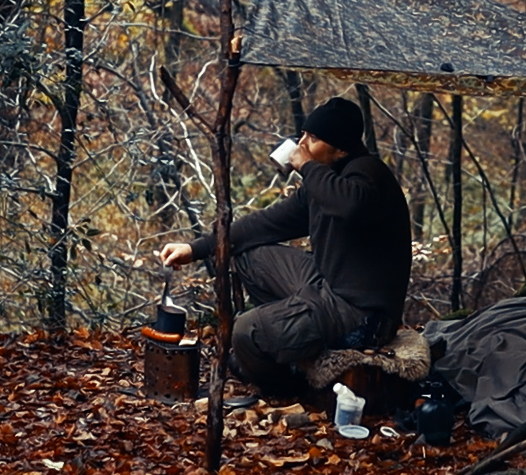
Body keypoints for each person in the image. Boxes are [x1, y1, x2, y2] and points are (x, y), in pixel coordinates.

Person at [159, 97, 412, 399]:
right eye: (304, 134)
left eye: (313, 139)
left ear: (341, 149)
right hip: (326, 285)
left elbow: (349, 206)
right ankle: (286, 336)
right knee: (249, 255)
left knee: (246, 331)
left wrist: (307, 166)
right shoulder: (324, 180)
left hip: (360, 313)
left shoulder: (368, 174)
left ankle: (291, 388)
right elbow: (263, 224)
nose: (302, 144)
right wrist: (195, 248)